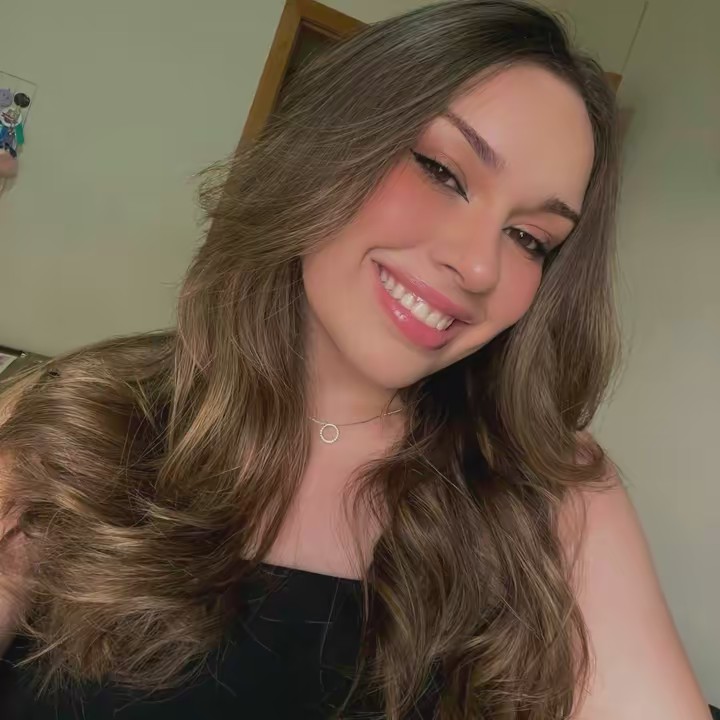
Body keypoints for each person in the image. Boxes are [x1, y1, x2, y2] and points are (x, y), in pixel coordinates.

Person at [0, 1, 711, 718]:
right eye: (443, 171)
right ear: (329, 147)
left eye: (530, 238)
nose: (478, 266)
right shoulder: (81, 426)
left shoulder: (552, 493)